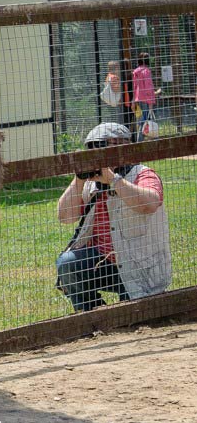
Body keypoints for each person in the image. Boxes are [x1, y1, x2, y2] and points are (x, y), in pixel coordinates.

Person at [56, 123, 171, 312]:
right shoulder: (91, 182)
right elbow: (65, 217)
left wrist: (113, 180)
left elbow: (149, 204)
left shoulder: (143, 174)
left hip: (139, 266)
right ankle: (91, 315)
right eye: (93, 149)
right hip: (103, 262)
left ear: (122, 147)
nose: (97, 155)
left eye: (101, 148)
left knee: (134, 318)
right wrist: (79, 179)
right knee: (68, 263)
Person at [132, 53, 157, 142]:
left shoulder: (136, 71)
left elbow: (134, 87)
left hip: (138, 99)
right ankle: (153, 141)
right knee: (149, 122)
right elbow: (148, 88)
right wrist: (151, 103)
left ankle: (140, 142)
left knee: (141, 122)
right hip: (146, 100)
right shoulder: (146, 71)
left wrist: (134, 101)